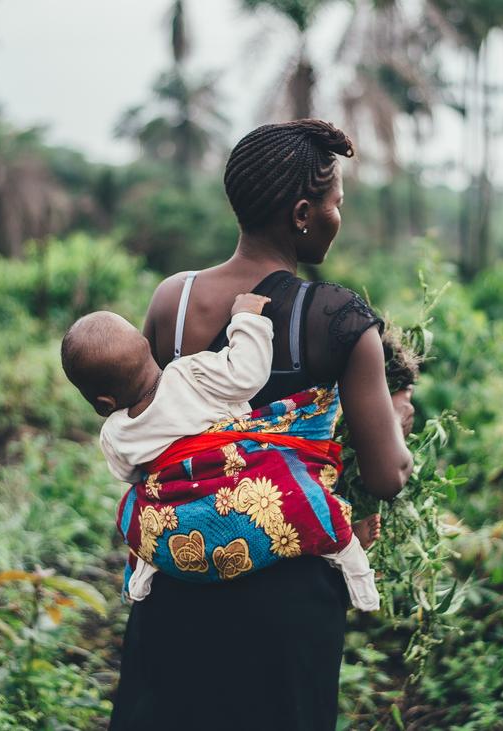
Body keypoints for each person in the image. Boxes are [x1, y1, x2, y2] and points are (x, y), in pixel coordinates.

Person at [109, 119, 414, 731]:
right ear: (303, 212)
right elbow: (387, 477)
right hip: (286, 598)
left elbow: (146, 421)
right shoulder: (339, 319)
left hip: (180, 576)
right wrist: (398, 419)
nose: (337, 217)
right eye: (336, 204)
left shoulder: (175, 300)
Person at [59, 293, 382, 609]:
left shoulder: (115, 432)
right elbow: (247, 375)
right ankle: (353, 564)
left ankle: (144, 569)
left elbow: (131, 475)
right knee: (301, 495)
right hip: (239, 485)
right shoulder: (190, 373)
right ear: (147, 349)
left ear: (103, 404)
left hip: (180, 520)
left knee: (134, 510)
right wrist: (246, 318)